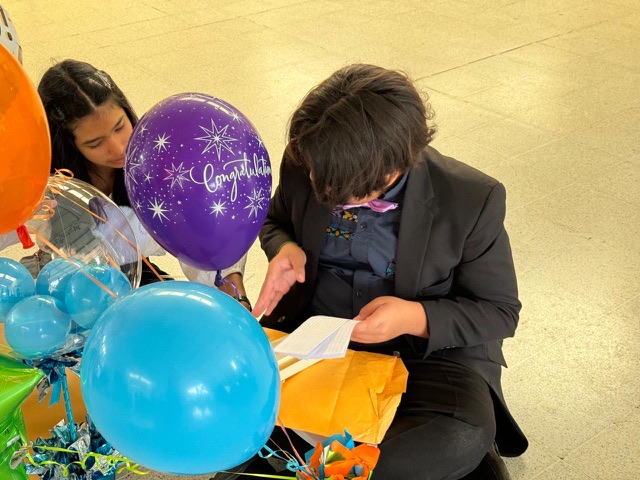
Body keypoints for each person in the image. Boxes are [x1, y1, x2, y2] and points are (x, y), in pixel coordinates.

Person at [253, 64, 528, 479]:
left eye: (342, 190)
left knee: (462, 431)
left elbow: (499, 311)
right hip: (316, 339)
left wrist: (414, 317)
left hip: (424, 357)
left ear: (392, 169)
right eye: (313, 174)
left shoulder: (471, 198)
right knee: (234, 394)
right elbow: (275, 221)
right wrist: (284, 248)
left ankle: (323, 471)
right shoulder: (311, 162)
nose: (318, 186)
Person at [36, 59, 250, 304]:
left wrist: (236, 296)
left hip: (137, 277)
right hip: (77, 294)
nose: (118, 148)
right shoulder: (52, 190)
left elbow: (197, 230)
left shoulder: (159, 159)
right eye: (95, 143)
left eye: (120, 127)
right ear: (68, 146)